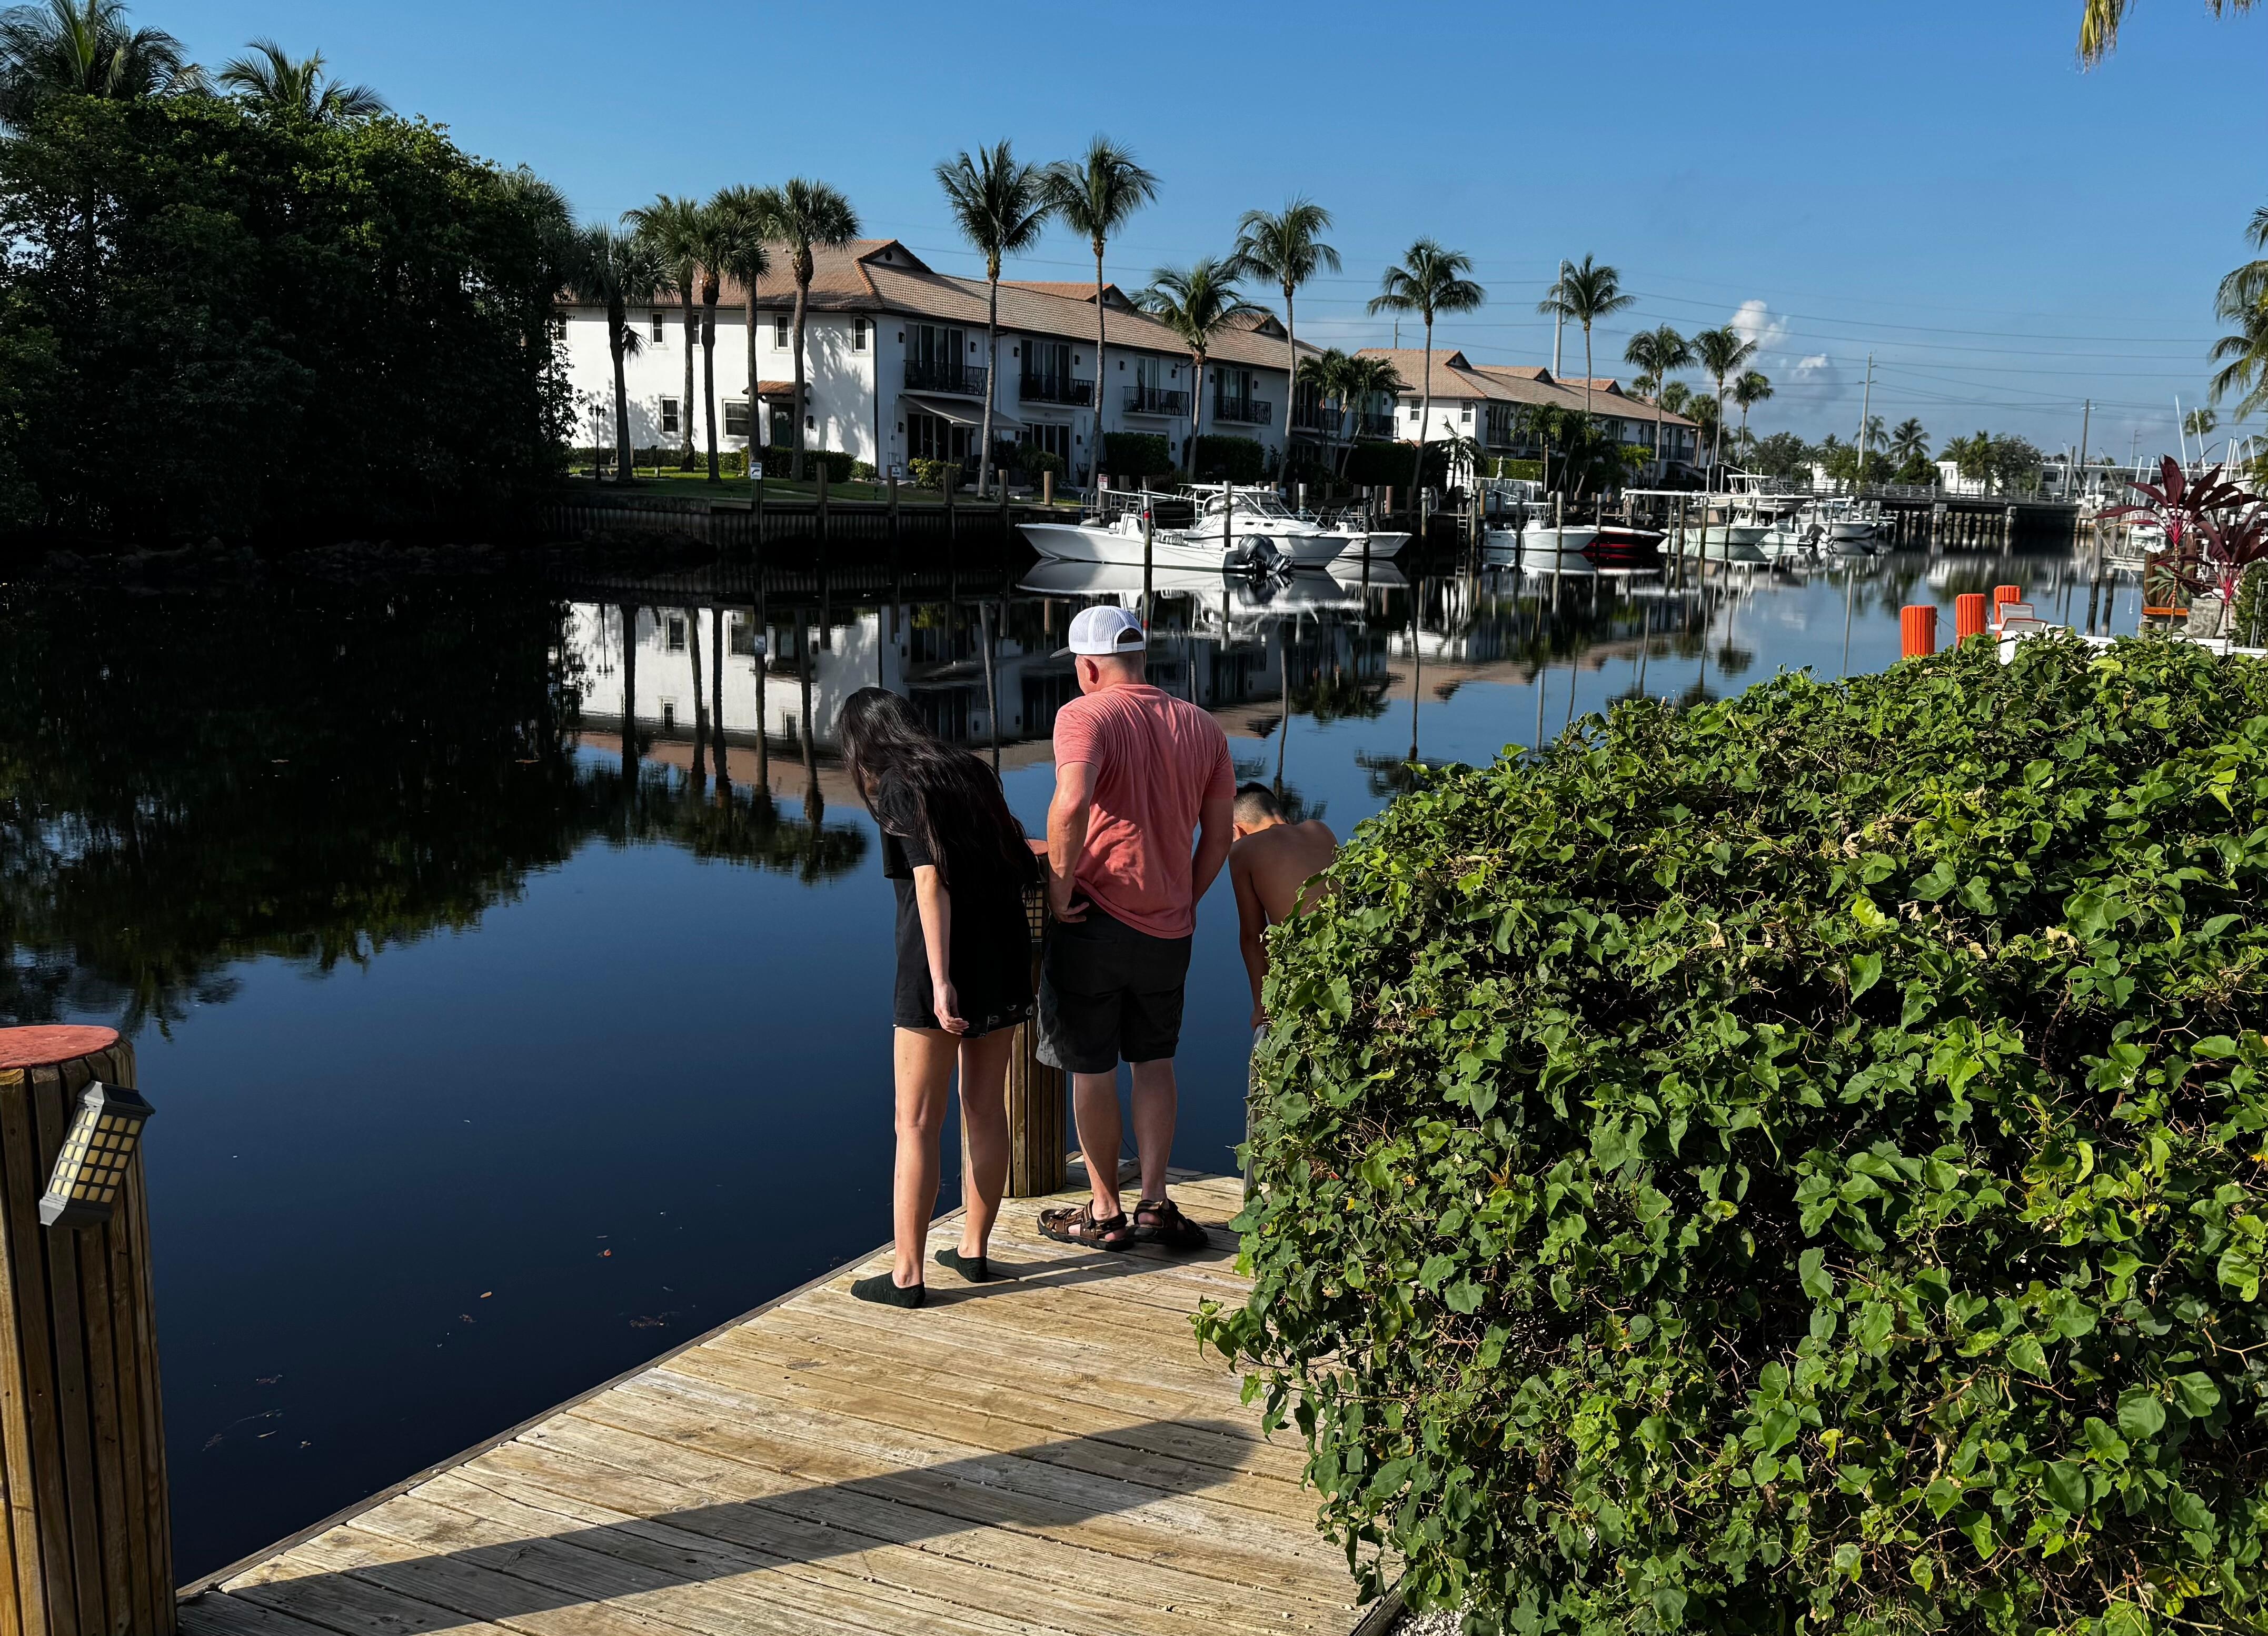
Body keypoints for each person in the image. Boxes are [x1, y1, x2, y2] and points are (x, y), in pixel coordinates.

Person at [1036, 605, 1235, 1254]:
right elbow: (1221, 834)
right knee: (1155, 1062)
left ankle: (1104, 1211)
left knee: (1089, 1067)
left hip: (1093, 918)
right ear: (1141, 658)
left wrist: (1060, 891)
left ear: (1088, 667)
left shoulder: (1084, 715)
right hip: (1169, 929)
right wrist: (1187, 897)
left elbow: (1070, 803)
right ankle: (1155, 1200)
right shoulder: (1203, 727)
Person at [835, 687, 1039, 1309]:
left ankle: (906, 1275)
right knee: (985, 1107)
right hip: (1006, 955)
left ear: (862, 743)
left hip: (938, 966)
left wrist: (942, 978)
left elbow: (931, 881)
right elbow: (1015, 853)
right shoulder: (972, 770)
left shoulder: (899, 785)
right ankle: (974, 1250)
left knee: (917, 1123)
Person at [1227, 782, 1339, 1031]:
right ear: (1283, 814)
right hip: (1349, 952)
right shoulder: (1320, 830)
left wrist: (1262, 1009)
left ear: (1237, 830)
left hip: (1309, 968)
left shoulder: (1243, 849)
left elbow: (1253, 938)